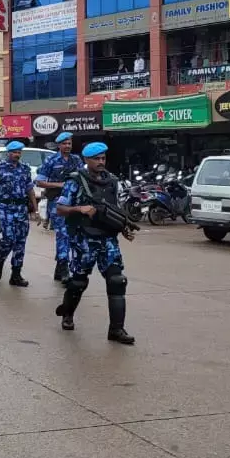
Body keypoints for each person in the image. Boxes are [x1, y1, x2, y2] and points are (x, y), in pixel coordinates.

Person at [54, 142, 136, 345]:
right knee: (79, 282)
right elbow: (61, 208)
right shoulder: (75, 180)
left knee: (117, 280)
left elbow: (114, 209)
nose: (101, 162)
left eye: (103, 158)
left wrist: (123, 227)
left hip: (108, 239)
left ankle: (116, 330)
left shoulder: (112, 181)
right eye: (96, 159)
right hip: (84, 239)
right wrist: (79, 209)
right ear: (86, 160)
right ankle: (68, 314)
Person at [0, 141, 39, 287]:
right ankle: (0, 261)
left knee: (21, 242)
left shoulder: (25, 169)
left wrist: (35, 209)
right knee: (8, 239)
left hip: (21, 209)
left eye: (19, 152)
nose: (17, 155)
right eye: (14, 152)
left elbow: (30, 190)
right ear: (8, 153)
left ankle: (16, 274)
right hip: (5, 208)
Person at [36, 132, 85, 284]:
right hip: (57, 202)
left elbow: (83, 176)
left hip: (74, 202)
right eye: (64, 143)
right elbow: (39, 182)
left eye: (69, 143)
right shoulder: (51, 160)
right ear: (59, 145)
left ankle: (60, 268)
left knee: (74, 235)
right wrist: (61, 185)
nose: (67, 146)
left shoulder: (76, 159)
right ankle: (64, 267)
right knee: (63, 234)